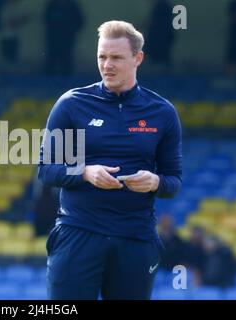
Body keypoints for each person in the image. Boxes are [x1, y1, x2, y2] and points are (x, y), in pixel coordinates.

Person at [38, 20, 182, 300]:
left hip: (135, 238)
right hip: (78, 234)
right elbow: (46, 170)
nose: (107, 65)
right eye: (102, 57)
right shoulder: (72, 104)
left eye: (116, 57)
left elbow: (173, 181)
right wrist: (85, 173)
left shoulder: (162, 113)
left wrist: (155, 182)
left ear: (137, 58)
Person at [44, 0, 84, 75]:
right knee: (52, 58)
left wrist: (70, 29)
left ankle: (67, 79)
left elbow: (80, 22)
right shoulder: (52, 5)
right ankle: (48, 79)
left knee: (66, 58)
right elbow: (46, 20)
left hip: (67, 38)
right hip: (53, 38)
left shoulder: (72, 7)